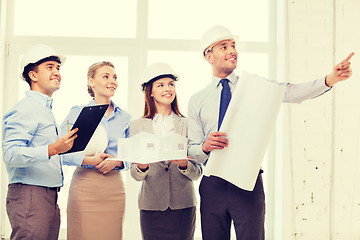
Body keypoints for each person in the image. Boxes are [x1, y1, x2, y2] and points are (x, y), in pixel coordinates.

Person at [187, 25, 354, 240]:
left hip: (247, 181)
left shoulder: (254, 86)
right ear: (208, 56)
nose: (232, 51)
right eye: (224, 46)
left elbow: (293, 92)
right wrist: (204, 146)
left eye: (234, 46)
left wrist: (330, 79)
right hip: (213, 184)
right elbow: (192, 148)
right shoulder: (197, 100)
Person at [2, 44, 78, 240]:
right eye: (50, 67)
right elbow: (10, 154)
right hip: (30, 195)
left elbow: (53, 154)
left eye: (58, 68)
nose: (57, 72)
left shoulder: (45, 110)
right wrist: (52, 149)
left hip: (48, 196)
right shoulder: (26, 108)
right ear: (33, 75)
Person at [130, 62, 203, 240]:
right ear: (150, 92)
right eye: (160, 85)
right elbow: (135, 175)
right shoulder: (137, 126)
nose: (167, 89)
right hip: (151, 206)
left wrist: (185, 165)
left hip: (183, 205)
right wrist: (142, 167)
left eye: (171, 84)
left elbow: (197, 172)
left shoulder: (187, 125)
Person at [60, 61, 130, 240]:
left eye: (115, 77)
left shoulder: (125, 117)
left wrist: (119, 161)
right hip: (85, 185)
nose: (112, 81)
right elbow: (59, 152)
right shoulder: (77, 113)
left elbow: (132, 155)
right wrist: (89, 160)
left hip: (114, 187)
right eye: (106, 76)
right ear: (91, 82)